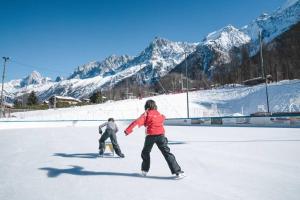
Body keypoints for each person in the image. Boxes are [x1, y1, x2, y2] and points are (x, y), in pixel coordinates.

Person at [124, 99, 184, 177]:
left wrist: (128, 131)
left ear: (146, 106)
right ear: (155, 106)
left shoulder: (146, 113)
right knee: (167, 153)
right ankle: (177, 171)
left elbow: (137, 122)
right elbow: (163, 117)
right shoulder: (158, 113)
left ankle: (145, 170)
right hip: (161, 135)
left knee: (145, 152)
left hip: (151, 136)